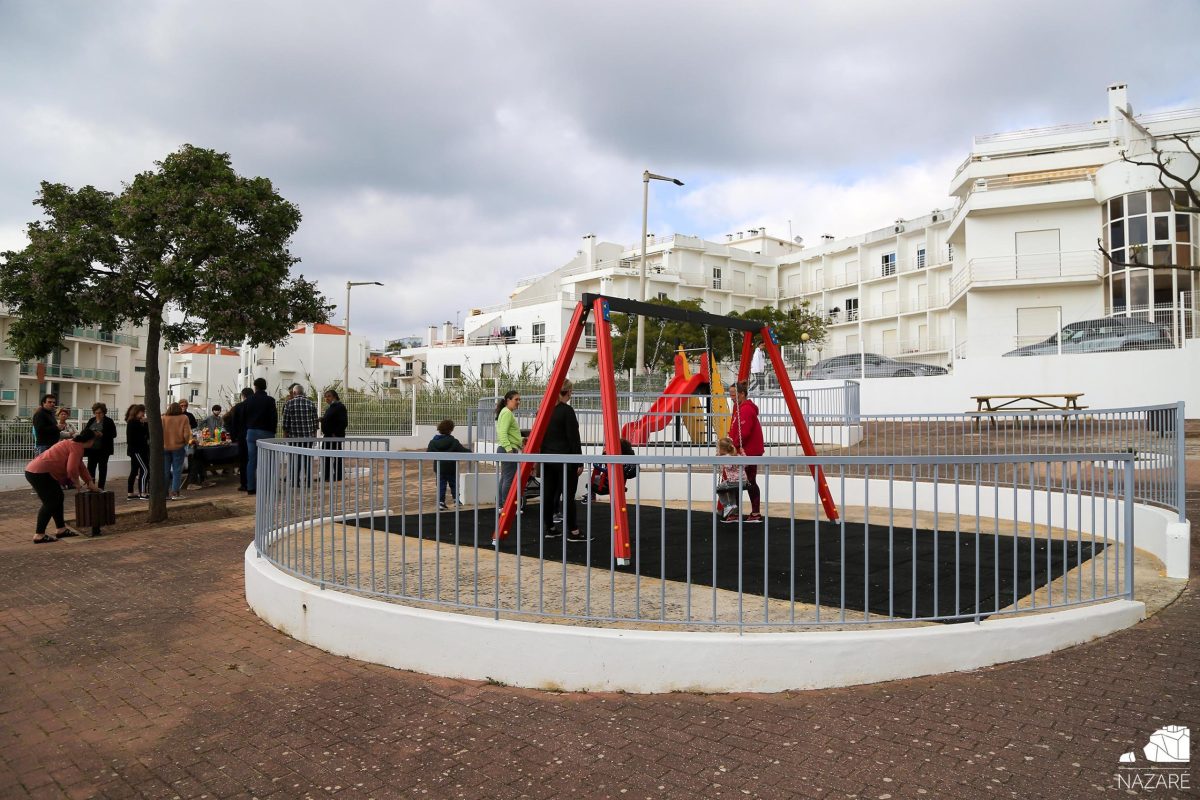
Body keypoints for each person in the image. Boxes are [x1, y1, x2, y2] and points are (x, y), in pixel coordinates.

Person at [24, 428, 100, 543]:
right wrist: (76, 482)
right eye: (94, 440)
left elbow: (80, 466)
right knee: (51, 502)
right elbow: (71, 469)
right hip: (39, 473)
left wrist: (90, 482)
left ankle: (61, 529)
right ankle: (39, 535)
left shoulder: (73, 444)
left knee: (58, 498)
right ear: (90, 440)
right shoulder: (76, 447)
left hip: (37, 471)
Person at [542, 380, 587, 542]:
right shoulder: (566, 411)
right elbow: (573, 438)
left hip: (547, 459)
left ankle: (550, 527)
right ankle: (573, 531)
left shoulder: (545, 410)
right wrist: (579, 461)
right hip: (565, 460)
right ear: (568, 392)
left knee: (548, 494)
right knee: (568, 496)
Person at [728, 381, 764, 522]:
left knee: (746, 481)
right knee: (741, 481)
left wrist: (732, 445)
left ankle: (751, 513)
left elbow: (744, 432)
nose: (731, 397)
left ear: (742, 394)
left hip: (747, 451)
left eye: (733, 394)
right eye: (730, 394)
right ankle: (745, 513)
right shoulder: (740, 408)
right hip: (744, 450)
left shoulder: (746, 409)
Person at [243, 378, 277, 496]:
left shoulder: (249, 400)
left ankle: (251, 488)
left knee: (251, 461)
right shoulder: (270, 400)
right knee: (268, 461)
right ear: (265, 386)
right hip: (267, 433)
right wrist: (273, 432)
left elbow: (244, 416)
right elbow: (274, 418)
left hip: (251, 432)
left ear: (255, 387)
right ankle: (268, 487)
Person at [427, 419, 469, 510]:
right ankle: (456, 501)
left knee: (441, 485)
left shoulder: (433, 442)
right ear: (450, 430)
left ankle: (440, 502)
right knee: (454, 484)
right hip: (451, 468)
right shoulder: (453, 441)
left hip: (439, 468)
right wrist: (471, 451)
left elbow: (428, 452)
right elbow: (462, 450)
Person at [281, 383, 318, 486]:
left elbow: (285, 423)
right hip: (308, 438)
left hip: (294, 438)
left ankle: (295, 481)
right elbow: (315, 422)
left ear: (294, 392)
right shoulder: (311, 403)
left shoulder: (289, 403)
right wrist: (314, 436)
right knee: (307, 459)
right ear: (303, 392)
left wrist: (285, 437)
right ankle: (309, 481)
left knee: (294, 459)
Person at [494, 391, 523, 510]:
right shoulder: (507, 413)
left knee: (505, 478)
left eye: (519, 400)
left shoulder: (505, 412)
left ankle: (501, 505)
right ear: (508, 400)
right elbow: (502, 433)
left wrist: (520, 440)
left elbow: (507, 433)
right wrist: (509, 449)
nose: (518, 402)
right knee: (509, 479)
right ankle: (507, 507)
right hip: (508, 449)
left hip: (506, 448)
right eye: (516, 399)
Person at [584, 438, 636, 504]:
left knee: (593, 479)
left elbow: (602, 467)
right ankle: (591, 495)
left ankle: (591, 495)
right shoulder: (627, 461)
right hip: (616, 482)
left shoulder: (613, 460)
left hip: (608, 483)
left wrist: (604, 454)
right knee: (597, 476)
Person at [161, 402, 192, 500]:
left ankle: (164, 493)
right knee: (177, 471)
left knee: (165, 471)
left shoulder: (163, 418)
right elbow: (187, 434)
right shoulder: (184, 418)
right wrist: (186, 442)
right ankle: (175, 493)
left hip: (164, 447)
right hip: (178, 447)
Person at [84, 402, 118, 489]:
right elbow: (85, 432)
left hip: (103, 449)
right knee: (91, 468)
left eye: (100, 413)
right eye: (96, 413)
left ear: (104, 412)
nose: (98, 414)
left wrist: (102, 434)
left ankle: (101, 487)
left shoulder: (109, 421)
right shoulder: (91, 420)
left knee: (102, 468)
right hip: (92, 449)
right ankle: (91, 486)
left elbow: (114, 434)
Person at [714, 437, 745, 523]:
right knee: (731, 490)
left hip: (733, 481)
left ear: (722, 449)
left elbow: (729, 466)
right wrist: (743, 453)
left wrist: (720, 459)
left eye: (718, 448)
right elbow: (746, 465)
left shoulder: (726, 457)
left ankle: (727, 505)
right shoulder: (738, 455)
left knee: (719, 489)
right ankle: (733, 505)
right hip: (744, 481)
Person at [320, 389, 348, 482]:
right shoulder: (330, 407)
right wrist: (323, 419)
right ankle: (326, 476)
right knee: (326, 456)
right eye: (325, 397)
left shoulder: (340, 407)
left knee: (336, 456)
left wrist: (335, 433)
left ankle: (338, 476)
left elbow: (343, 422)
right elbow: (331, 419)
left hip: (334, 437)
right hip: (327, 436)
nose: (326, 398)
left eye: (328, 396)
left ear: (334, 396)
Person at [228, 387, 253, 491]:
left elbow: (234, 424)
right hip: (253, 435)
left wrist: (233, 438)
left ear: (243, 396)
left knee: (243, 461)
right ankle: (253, 482)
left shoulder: (238, 407)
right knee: (253, 460)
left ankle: (244, 484)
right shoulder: (255, 407)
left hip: (242, 437)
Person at [125, 404, 149, 500]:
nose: (143, 414)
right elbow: (143, 434)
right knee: (145, 469)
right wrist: (145, 423)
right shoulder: (134, 423)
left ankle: (131, 492)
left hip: (136, 450)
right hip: (137, 450)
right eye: (142, 412)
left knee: (134, 470)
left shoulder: (134, 422)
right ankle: (142, 492)